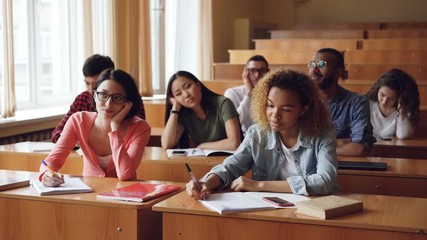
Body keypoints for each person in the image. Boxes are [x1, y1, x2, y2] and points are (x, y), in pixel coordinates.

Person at [186, 69, 338, 199]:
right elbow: (231, 166)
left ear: (303, 109)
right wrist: (206, 182)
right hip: (266, 208)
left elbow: (325, 181)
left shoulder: (323, 133)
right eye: (270, 105)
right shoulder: (257, 134)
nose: (274, 115)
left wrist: (259, 185)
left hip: (309, 211)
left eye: (286, 109)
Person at [40, 69, 151, 186]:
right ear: (94, 95)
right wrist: (46, 173)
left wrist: (115, 128)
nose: (108, 104)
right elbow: (52, 160)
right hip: (89, 192)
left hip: (124, 196)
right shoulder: (78, 121)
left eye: (117, 98)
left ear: (128, 103)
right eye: (103, 94)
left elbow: (125, 174)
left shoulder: (140, 128)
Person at [51, 54, 146, 143]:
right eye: (87, 83)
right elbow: (57, 132)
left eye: (96, 83)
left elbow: (137, 135)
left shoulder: (130, 98)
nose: (91, 89)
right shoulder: (82, 98)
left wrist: (115, 125)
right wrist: (70, 139)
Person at [308, 48, 376, 157]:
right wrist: (341, 143)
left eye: (321, 65)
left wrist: (315, 149)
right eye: (312, 64)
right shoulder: (300, 100)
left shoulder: (356, 102)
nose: (314, 70)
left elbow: (359, 148)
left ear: (338, 72)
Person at [161, 70, 242, 150]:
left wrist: (202, 146)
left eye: (188, 86)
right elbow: (166, 144)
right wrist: (175, 109)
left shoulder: (223, 104)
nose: (186, 95)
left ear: (198, 85)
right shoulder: (184, 114)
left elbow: (234, 143)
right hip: (205, 161)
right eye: (178, 94)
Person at [366, 68, 420, 140]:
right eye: (382, 95)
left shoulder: (404, 110)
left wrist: (402, 114)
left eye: (391, 99)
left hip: (392, 150)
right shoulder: (368, 104)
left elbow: (403, 135)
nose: (384, 101)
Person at [224, 55, 269, 133]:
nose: (257, 75)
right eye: (253, 70)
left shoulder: (273, 93)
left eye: (262, 71)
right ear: (245, 72)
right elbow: (234, 124)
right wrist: (248, 95)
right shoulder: (232, 93)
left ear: (268, 73)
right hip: (243, 138)